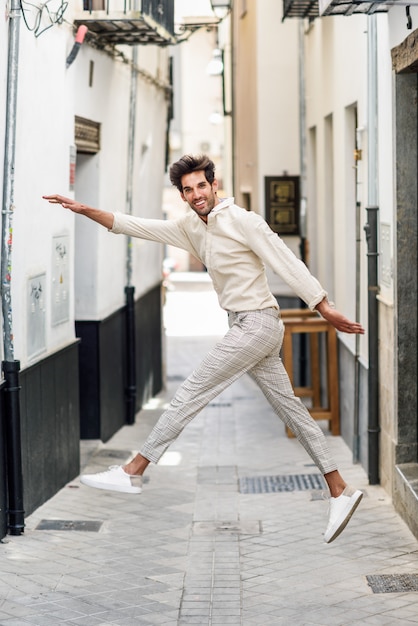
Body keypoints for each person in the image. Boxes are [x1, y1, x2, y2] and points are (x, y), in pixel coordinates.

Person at [44, 154, 365, 543]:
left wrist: (323, 307)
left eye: (201, 186)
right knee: (292, 411)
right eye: (188, 189)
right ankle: (339, 490)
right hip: (246, 326)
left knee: (192, 390)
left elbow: (285, 260)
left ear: (214, 185)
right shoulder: (191, 228)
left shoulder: (243, 221)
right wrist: (82, 209)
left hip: (257, 323)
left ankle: (134, 470)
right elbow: (134, 225)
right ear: (182, 195)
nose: (196, 194)